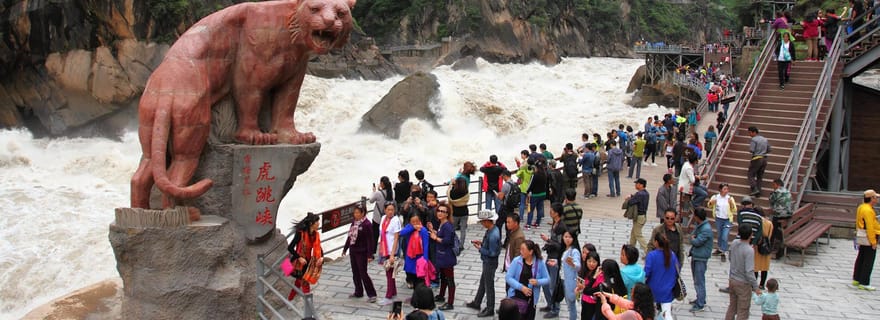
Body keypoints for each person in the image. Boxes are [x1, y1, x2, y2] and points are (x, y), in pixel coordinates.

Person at [466, 210, 502, 317]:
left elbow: (492, 253)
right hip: (488, 262)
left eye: (482, 222)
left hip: (489, 262)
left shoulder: (493, 235)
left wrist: (480, 248)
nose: (482, 224)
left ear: (487, 221)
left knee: (489, 286)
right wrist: (482, 243)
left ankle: (490, 308)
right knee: (483, 282)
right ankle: (477, 302)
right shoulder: (493, 230)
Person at [506, 240, 551, 320]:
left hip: (531, 299)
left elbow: (547, 279)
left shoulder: (539, 263)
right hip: (516, 296)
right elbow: (508, 277)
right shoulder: (517, 261)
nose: (521, 252)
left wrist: (537, 282)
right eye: (520, 249)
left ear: (530, 252)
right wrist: (521, 287)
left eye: (523, 250)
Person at [724, 224, 762, 320]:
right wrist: (756, 287)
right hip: (743, 283)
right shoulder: (749, 250)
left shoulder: (734, 243)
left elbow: (730, 257)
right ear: (751, 235)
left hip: (732, 279)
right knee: (743, 310)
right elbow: (749, 271)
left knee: (732, 306)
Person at [342, 205, 377, 302]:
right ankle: (358, 291)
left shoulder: (367, 224)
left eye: (358, 213)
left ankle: (372, 294)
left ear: (363, 213)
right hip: (353, 250)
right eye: (355, 213)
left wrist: (370, 255)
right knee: (355, 272)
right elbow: (350, 236)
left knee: (363, 273)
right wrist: (345, 248)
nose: (356, 214)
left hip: (362, 252)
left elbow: (370, 240)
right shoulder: (354, 223)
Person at [539, 203, 568, 318]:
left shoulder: (561, 227)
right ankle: (550, 303)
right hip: (550, 254)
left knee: (553, 284)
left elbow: (561, 245)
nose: (550, 211)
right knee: (545, 281)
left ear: (557, 212)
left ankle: (555, 308)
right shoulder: (555, 224)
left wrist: (548, 240)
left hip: (556, 258)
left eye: (552, 210)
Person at [287, 212, 324, 300]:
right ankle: (309, 307)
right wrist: (299, 257)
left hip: (307, 262)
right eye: (317, 222)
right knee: (305, 284)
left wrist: (322, 257)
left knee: (298, 283)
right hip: (297, 262)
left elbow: (319, 248)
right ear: (311, 224)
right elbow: (290, 247)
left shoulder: (315, 234)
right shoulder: (300, 233)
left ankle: (289, 300)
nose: (319, 224)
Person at [644, 233, 679, 320]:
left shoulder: (651, 255)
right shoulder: (672, 255)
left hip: (653, 290)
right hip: (668, 290)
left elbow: (646, 273)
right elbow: (677, 270)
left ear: (656, 242)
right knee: (667, 314)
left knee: (652, 315)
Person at [428, 202, 456, 310]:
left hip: (447, 257)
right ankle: (441, 295)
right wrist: (433, 231)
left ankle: (450, 303)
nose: (440, 213)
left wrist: (435, 238)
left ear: (447, 214)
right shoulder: (442, 224)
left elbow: (447, 241)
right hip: (442, 255)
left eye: (443, 211)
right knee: (443, 278)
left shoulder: (447, 226)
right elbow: (440, 235)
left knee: (449, 280)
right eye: (439, 211)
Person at [853, 189, 880, 291]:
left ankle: (856, 278)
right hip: (869, 236)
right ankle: (864, 282)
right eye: (876, 197)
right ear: (872, 198)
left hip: (862, 235)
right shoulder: (868, 210)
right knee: (868, 260)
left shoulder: (861, 207)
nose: (877, 199)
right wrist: (873, 242)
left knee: (861, 257)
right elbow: (870, 227)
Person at [689, 208, 713, 312]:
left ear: (697, 217)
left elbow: (696, 241)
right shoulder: (701, 226)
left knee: (699, 280)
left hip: (701, 257)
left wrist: (693, 239)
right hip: (697, 255)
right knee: (697, 279)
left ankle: (700, 304)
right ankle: (700, 298)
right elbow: (693, 236)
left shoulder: (706, 229)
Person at [378, 203, 402, 305]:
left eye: (392, 210)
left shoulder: (395, 220)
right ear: (385, 210)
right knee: (389, 273)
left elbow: (396, 238)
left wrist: (392, 254)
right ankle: (394, 293)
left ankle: (388, 296)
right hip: (384, 249)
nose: (390, 212)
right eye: (388, 209)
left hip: (392, 250)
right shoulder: (383, 218)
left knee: (390, 274)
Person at [399, 215, 430, 289]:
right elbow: (401, 233)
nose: (415, 223)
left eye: (417, 221)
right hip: (410, 255)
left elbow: (426, 245)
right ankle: (410, 282)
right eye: (413, 222)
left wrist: (425, 258)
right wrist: (412, 228)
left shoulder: (423, 230)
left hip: (419, 256)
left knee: (418, 275)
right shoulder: (409, 228)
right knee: (410, 272)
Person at [709, 183, 737, 262]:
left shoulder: (730, 198)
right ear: (720, 190)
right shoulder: (715, 197)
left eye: (727, 189)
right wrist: (712, 202)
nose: (726, 191)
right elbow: (710, 205)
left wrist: (730, 203)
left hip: (727, 220)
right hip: (718, 218)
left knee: (725, 235)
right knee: (719, 234)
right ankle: (720, 248)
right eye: (724, 189)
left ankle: (723, 250)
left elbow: (734, 209)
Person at [574, 251, 604, 320]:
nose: (591, 264)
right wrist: (578, 291)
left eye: (594, 262)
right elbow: (580, 290)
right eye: (589, 261)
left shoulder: (600, 275)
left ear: (598, 263)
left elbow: (597, 289)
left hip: (595, 304)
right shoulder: (583, 271)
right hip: (585, 301)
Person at [560, 231, 581, 320]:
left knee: (571, 304)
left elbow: (578, 266)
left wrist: (573, 264)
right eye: (565, 236)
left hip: (570, 281)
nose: (567, 239)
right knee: (569, 303)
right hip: (563, 279)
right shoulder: (564, 249)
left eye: (570, 237)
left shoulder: (574, 251)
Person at [768, 179, 792, 258]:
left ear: (777, 184)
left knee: (773, 229)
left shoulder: (776, 192)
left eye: (773, 185)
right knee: (778, 228)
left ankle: (770, 245)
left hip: (780, 214)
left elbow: (771, 201)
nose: (773, 187)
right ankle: (778, 242)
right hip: (788, 214)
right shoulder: (787, 191)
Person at [370, 176, 394, 250]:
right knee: (386, 235)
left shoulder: (378, 193)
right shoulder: (392, 192)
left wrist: (374, 191)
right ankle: (386, 249)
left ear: (382, 184)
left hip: (377, 218)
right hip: (387, 218)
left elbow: (371, 200)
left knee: (375, 235)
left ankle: (373, 251)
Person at [626, 178, 650, 252]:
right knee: (633, 233)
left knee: (638, 234)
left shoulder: (639, 194)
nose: (636, 185)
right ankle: (631, 249)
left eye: (637, 184)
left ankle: (647, 250)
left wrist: (628, 198)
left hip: (639, 216)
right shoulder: (646, 193)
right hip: (643, 216)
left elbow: (631, 202)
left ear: (641, 185)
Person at [748, 126, 770, 197]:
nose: (749, 134)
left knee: (750, 174)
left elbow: (751, 150)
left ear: (754, 132)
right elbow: (769, 149)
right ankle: (759, 192)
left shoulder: (754, 139)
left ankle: (754, 189)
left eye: (750, 132)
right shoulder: (765, 139)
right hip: (764, 159)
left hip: (757, 158)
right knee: (759, 176)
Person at [526, 159, 548, 229]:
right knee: (540, 209)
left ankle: (528, 224)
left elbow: (530, 185)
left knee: (530, 210)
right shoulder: (545, 173)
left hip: (535, 195)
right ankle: (537, 223)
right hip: (543, 193)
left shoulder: (534, 175)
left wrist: (527, 191)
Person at [447, 177, 469, 245]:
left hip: (455, 213)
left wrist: (451, 184)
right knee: (463, 230)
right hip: (465, 212)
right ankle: (461, 245)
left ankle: (453, 242)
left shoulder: (453, 192)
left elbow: (448, 193)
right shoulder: (466, 191)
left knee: (452, 229)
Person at [515, 150, 534, 218]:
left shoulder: (523, 170)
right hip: (531, 188)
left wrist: (520, 168)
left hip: (523, 188)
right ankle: (530, 217)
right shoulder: (533, 170)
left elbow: (517, 174)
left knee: (522, 203)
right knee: (530, 203)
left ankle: (521, 217)